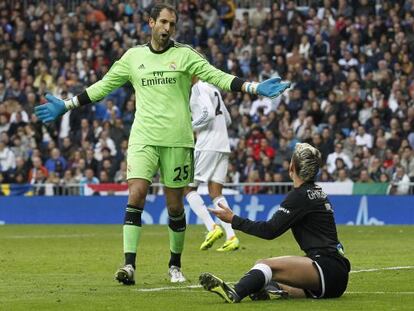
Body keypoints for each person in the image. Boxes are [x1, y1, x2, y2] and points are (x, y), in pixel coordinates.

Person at [34, 3, 290, 286]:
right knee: (137, 194)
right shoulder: (133, 57)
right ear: (151, 22)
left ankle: (174, 265)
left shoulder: (185, 55)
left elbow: (217, 76)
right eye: (164, 22)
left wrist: (254, 88)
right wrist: (68, 104)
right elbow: (103, 86)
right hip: (143, 138)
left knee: (175, 207)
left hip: (178, 141)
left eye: (172, 24)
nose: (168, 28)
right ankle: (129, 265)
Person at [199, 143, 350, 302]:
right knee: (270, 280)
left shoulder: (299, 196)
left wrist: (234, 220)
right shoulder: (318, 192)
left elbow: (269, 230)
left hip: (325, 267)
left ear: (292, 168)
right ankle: (267, 290)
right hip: (335, 274)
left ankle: (235, 292)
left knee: (264, 265)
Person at [184, 79, 240, 252]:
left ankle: (212, 227)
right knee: (215, 192)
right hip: (223, 144)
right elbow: (228, 119)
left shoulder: (197, 88)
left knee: (187, 188)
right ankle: (231, 237)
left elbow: (207, 114)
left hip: (207, 145)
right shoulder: (212, 88)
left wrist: (187, 126)